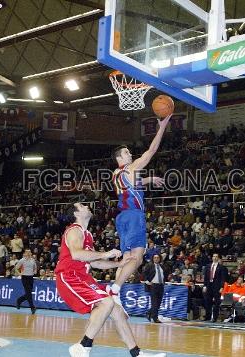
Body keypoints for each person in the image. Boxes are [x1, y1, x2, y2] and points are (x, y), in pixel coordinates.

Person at [55, 203, 165, 357]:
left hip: (84, 278)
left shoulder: (88, 235)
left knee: (117, 312)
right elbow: (77, 255)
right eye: (82, 206)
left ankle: (136, 353)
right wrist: (106, 253)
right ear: (76, 213)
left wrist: (118, 264)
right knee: (107, 302)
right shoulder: (74, 230)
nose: (86, 206)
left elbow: (94, 262)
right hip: (70, 276)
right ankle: (84, 345)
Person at [109, 114, 172, 304]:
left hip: (122, 218)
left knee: (127, 257)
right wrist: (162, 126)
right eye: (127, 152)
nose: (131, 154)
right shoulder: (132, 167)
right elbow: (152, 150)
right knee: (137, 257)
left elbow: (133, 184)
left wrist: (150, 180)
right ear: (120, 157)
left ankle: (115, 293)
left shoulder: (116, 173)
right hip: (135, 215)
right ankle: (115, 289)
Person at [203, 253, 228, 322]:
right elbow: (205, 277)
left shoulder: (221, 267)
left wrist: (222, 287)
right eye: (214, 256)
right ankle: (207, 316)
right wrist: (205, 285)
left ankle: (215, 317)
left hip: (217, 286)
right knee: (208, 301)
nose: (215, 258)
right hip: (209, 285)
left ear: (218, 258)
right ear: (212, 258)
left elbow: (223, 278)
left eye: (216, 256)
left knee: (217, 302)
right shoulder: (208, 266)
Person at [143, 254, 166, 323]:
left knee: (158, 303)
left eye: (157, 257)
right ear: (153, 259)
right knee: (154, 303)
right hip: (153, 286)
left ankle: (149, 313)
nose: (156, 259)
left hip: (161, 286)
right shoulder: (149, 265)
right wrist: (147, 281)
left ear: (159, 259)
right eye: (155, 257)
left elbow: (164, 275)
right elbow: (144, 273)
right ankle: (155, 318)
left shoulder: (162, 266)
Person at [15, 249, 37, 314]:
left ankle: (19, 300)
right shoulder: (22, 260)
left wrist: (35, 271)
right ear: (25, 253)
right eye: (27, 252)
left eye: (30, 252)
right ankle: (32, 307)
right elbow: (16, 268)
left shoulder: (33, 260)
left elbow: (35, 267)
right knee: (29, 293)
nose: (29, 253)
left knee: (28, 293)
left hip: (31, 277)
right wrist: (19, 274)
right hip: (24, 277)